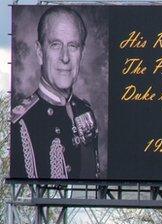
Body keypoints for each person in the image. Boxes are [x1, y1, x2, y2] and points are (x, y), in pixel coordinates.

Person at [11, 6, 100, 179]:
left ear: (82, 53)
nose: (65, 57)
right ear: (39, 52)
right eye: (55, 45)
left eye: (73, 46)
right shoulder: (21, 124)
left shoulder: (85, 111)